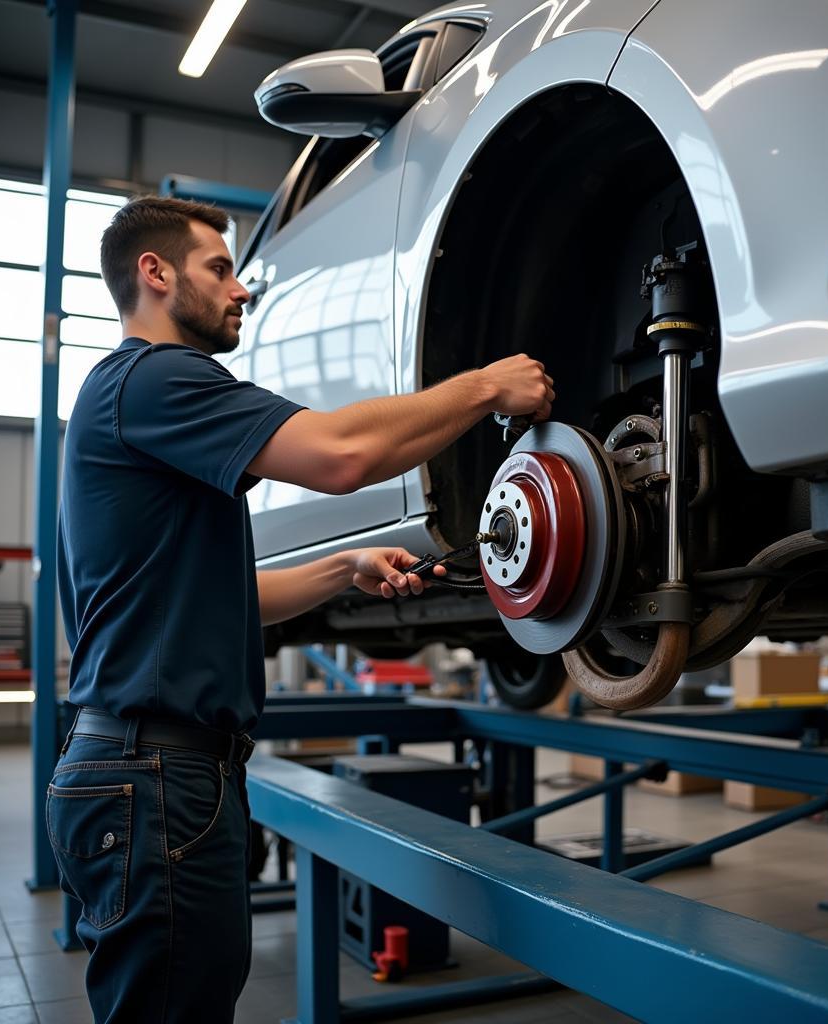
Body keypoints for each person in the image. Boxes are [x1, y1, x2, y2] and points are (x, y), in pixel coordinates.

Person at [46, 195, 554, 1023]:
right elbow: (342, 455)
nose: (241, 288)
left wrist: (341, 569)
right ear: (155, 273)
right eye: (219, 267)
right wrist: (485, 384)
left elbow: (220, 594)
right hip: (156, 775)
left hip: (147, 770)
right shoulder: (157, 376)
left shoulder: (125, 399)